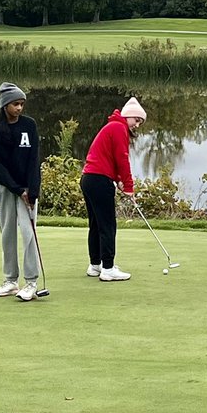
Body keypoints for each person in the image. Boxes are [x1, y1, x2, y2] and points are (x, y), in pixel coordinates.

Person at [0, 82, 43, 302]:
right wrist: (17, 189)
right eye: (15, 104)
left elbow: (33, 159)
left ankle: (31, 283)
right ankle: (10, 281)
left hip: (28, 188)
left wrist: (32, 190)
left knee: (29, 234)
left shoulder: (29, 125)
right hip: (5, 187)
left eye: (21, 104)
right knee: (7, 233)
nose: (19, 108)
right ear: (5, 105)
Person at [80, 97, 146, 282]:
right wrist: (129, 186)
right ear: (129, 116)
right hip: (99, 180)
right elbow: (122, 159)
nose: (137, 125)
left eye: (140, 122)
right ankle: (108, 268)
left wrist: (118, 180)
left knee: (96, 224)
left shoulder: (113, 127)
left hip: (89, 179)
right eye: (137, 120)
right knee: (108, 225)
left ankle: (95, 265)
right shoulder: (118, 128)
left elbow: (109, 158)